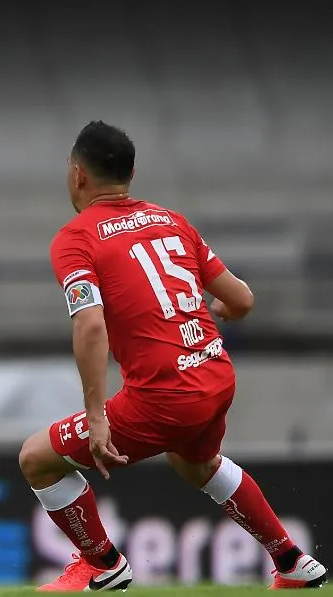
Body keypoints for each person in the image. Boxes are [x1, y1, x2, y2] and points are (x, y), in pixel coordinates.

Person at [18, 121, 327, 592]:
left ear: (77, 175)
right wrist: (218, 309)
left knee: (37, 458)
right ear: (132, 172)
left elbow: (91, 323)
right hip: (216, 374)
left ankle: (102, 562)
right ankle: (291, 561)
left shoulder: (75, 238)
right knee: (196, 463)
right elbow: (242, 300)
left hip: (164, 396)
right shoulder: (170, 219)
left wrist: (97, 414)